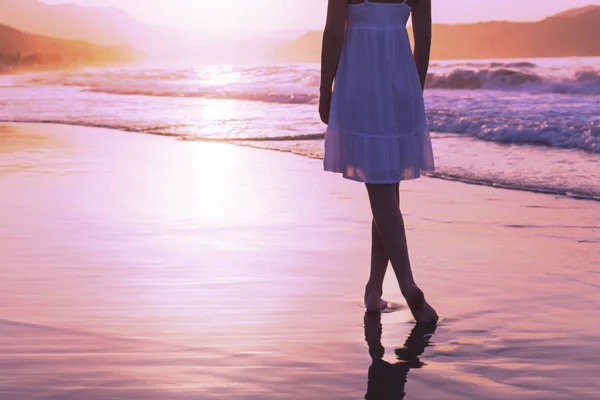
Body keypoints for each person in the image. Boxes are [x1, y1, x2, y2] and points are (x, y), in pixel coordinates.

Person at [319, 0, 438, 323]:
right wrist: (415, 91)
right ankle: (373, 290)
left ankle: (408, 286)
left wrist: (324, 89)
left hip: (359, 81)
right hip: (401, 80)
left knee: (382, 191)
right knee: (387, 190)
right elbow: (424, 40)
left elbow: (333, 35)